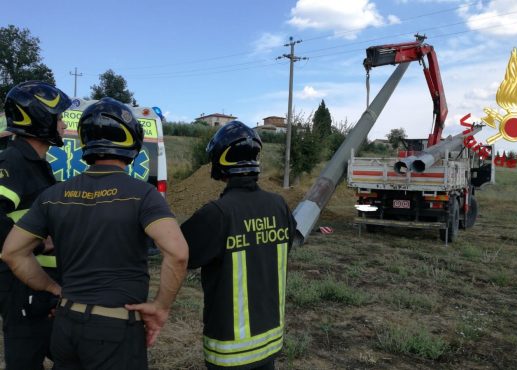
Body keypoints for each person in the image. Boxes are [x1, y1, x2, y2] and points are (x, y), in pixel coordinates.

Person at [2, 97, 189, 370]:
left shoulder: (53, 195)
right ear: (131, 140)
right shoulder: (143, 194)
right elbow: (178, 253)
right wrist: (160, 308)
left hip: (65, 326)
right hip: (115, 331)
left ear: (84, 142)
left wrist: (54, 289)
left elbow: (11, 252)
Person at [180, 121, 297, 370]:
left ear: (220, 163)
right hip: (269, 343)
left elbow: (181, 253)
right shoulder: (279, 205)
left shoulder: (218, 213)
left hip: (230, 351)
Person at [0, 81, 71, 369]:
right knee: (25, 360)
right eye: (58, 118)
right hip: (20, 284)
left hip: (39, 281)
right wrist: (38, 242)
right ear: (40, 120)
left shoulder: (36, 163)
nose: (64, 124)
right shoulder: (13, 161)